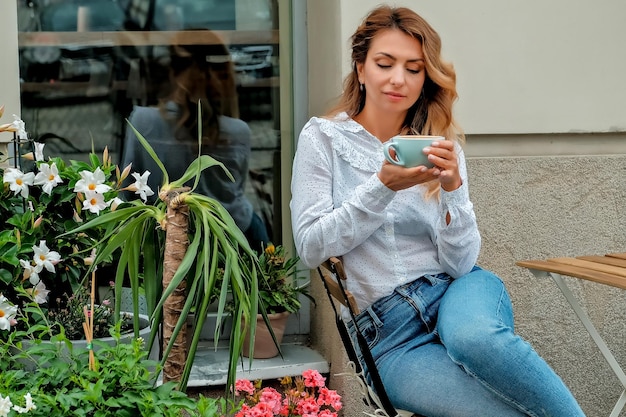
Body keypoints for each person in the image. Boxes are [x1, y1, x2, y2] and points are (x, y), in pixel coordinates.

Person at [290, 5, 585, 417]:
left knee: (475, 338)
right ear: (360, 68)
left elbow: (462, 264)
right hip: (388, 338)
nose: (399, 79)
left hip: (456, 292)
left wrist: (452, 190)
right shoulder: (322, 138)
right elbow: (310, 246)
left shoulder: (440, 146)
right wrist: (381, 188)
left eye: (414, 68)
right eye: (385, 63)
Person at [122, 30, 269, 253]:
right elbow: (234, 193)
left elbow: (127, 192)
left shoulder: (142, 122)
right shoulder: (238, 131)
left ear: (172, 71)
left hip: (161, 239)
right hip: (231, 240)